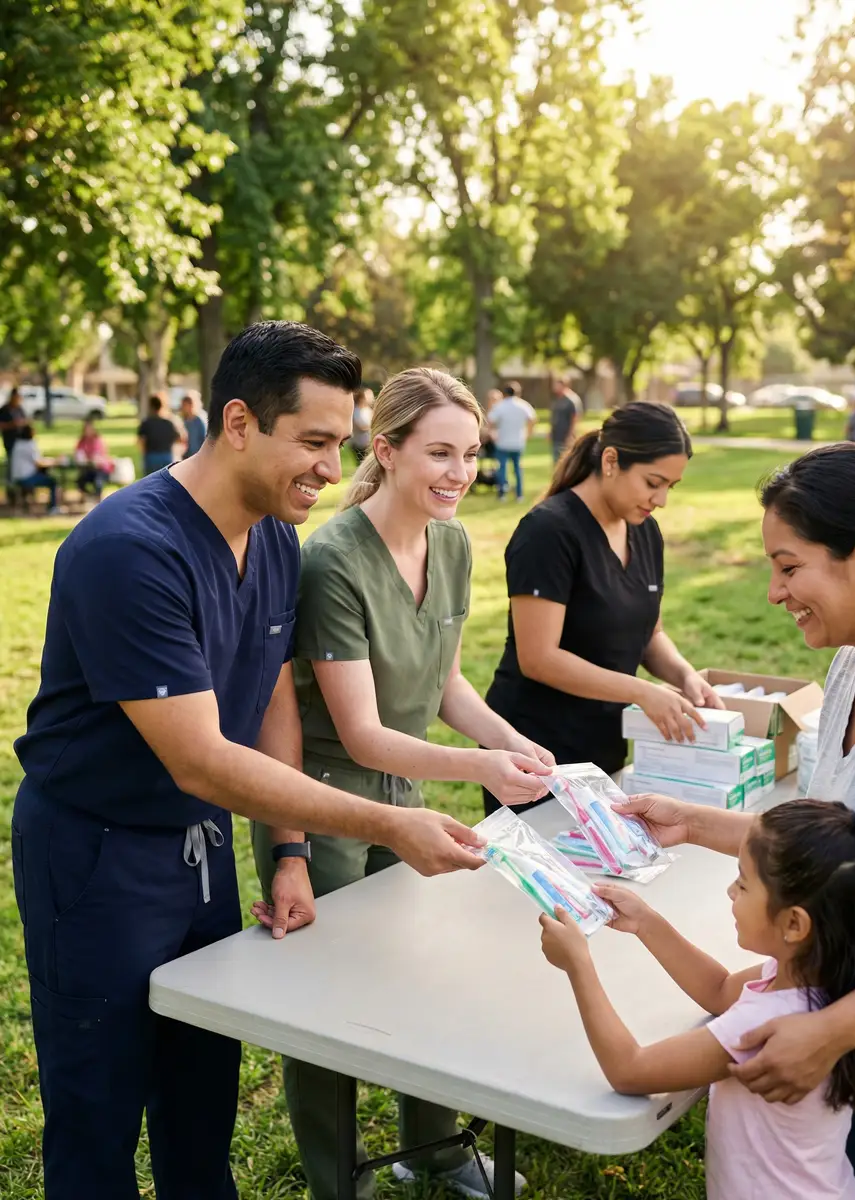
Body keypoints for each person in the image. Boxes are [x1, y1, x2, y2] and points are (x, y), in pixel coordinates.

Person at [11, 322, 488, 1200]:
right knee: (99, 1108)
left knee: (202, 1098)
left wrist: (294, 849)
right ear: (237, 422)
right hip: (94, 856)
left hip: (196, 852)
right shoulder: (130, 549)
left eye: (339, 445)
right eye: (311, 442)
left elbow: (270, 699)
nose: (330, 468)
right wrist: (388, 819)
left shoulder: (274, 537)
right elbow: (200, 759)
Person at [252, 366, 552, 1200]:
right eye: (441, 453)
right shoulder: (332, 560)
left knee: (426, 974)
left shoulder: (453, 542)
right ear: (384, 450)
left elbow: (447, 686)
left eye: (472, 453)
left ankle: (436, 1149)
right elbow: (362, 731)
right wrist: (482, 768)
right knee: (328, 1001)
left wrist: (513, 740)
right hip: (325, 801)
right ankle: (333, 1180)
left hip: (406, 794)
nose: (461, 473)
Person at [617, 442, 855, 1198]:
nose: (775, 592)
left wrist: (832, 1034)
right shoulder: (845, 667)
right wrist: (692, 822)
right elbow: (837, 852)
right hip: (853, 1037)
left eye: (788, 566)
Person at [540, 799, 855, 1200]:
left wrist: (578, 964)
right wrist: (646, 922)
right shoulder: (829, 980)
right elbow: (720, 990)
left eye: (743, 883)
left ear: (794, 923)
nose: (731, 891)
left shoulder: (765, 1023)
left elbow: (630, 1070)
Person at [483, 402, 724, 816]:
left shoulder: (645, 531)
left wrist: (684, 676)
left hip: (604, 744)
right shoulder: (548, 532)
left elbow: (651, 635)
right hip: (536, 750)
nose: (661, 499)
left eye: (671, 486)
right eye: (653, 482)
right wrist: (642, 691)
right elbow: (539, 658)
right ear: (611, 460)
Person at [489, 383, 536, 502]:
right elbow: (532, 419)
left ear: (504, 393)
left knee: (502, 468)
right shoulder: (523, 405)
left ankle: (502, 494)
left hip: (503, 442)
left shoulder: (500, 406)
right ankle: (519, 494)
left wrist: (493, 433)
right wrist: (528, 433)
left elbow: (490, 420)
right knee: (517, 469)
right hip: (518, 442)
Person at [10, 423, 59, 513]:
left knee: (43, 475)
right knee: (52, 481)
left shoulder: (17, 444)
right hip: (26, 478)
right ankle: (53, 508)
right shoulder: (29, 445)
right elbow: (39, 462)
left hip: (16, 477)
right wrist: (55, 461)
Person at [138, 392, 182, 474]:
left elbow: (141, 441)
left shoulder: (146, 423)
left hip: (151, 456)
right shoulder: (170, 422)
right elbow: (180, 438)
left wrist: (144, 455)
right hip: (167, 456)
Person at [73, 417, 114, 498]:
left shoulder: (97, 440)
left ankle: (97, 497)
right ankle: (90, 496)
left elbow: (98, 456)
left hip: (102, 469)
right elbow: (78, 453)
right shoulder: (82, 441)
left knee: (98, 481)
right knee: (80, 480)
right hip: (89, 468)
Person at [549, 377, 583, 462]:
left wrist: (570, 434)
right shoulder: (558, 399)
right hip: (556, 435)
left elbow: (575, 417)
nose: (554, 387)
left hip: (566, 436)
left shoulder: (572, 400)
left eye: (556, 385)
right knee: (556, 461)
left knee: (565, 461)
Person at [0, 385, 28, 483]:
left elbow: (25, 420)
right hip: (10, 441)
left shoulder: (19, 409)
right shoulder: (5, 409)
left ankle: (21, 484)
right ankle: (10, 484)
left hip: (22, 441)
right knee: (11, 462)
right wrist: (12, 424)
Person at [180, 390, 208, 458]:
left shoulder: (200, 419)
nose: (183, 407)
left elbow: (205, 438)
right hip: (188, 456)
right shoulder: (185, 420)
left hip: (199, 456)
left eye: (185, 405)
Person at [349, 386, 373, 464]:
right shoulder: (355, 411)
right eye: (368, 395)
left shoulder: (368, 410)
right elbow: (360, 427)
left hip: (369, 442)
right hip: (359, 444)